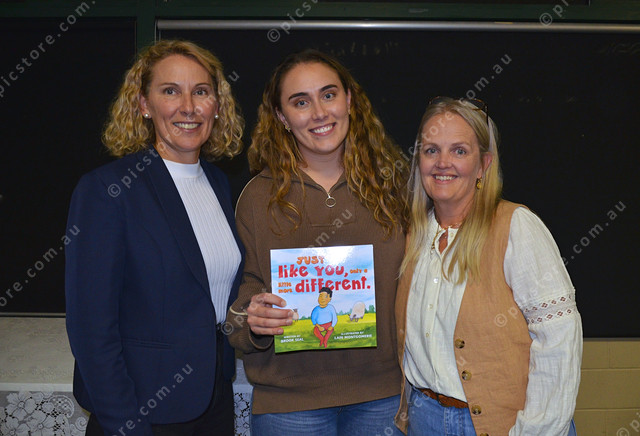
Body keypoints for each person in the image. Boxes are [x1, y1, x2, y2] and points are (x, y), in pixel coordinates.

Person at [65, 39, 244, 436]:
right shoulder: (108, 190)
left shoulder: (218, 183)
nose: (188, 107)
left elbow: (213, 295)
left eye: (201, 91)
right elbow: (91, 330)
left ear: (217, 105)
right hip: (143, 412)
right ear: (144, 104)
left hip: (214, 402)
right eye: (170, 91)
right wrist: (125, 423)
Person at [226, 49, 408, 436]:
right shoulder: (256, 197)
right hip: (288, 404)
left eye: (328, 95)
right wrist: (254, 322)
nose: (320, 113)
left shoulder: (397, 185)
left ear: (349, 100)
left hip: (384, 396)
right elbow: (239, 307)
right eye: (300, 102)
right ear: (281, 117)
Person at [394, 97, 582, 436]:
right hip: (425, 421)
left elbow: (558, 339)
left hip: (504, 425)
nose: (443, 163)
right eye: (431, 150)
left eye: (459, 151)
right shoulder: (412, 236)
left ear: (483, 165)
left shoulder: (516, 227)